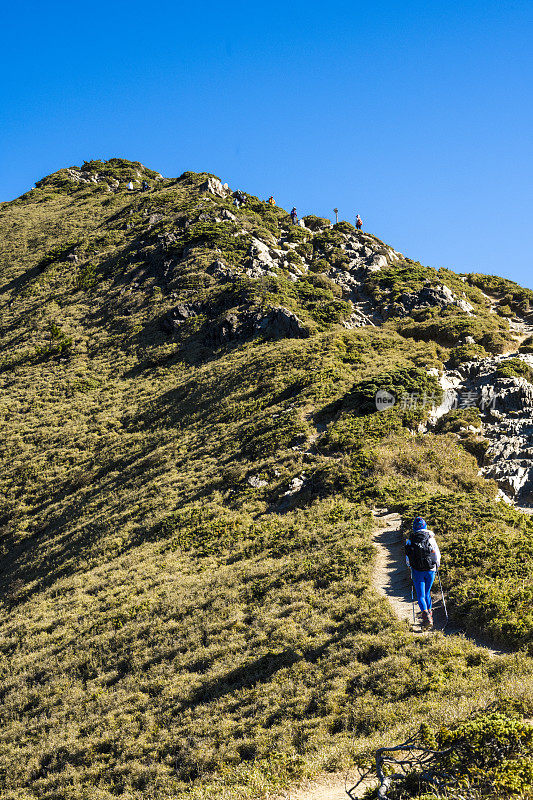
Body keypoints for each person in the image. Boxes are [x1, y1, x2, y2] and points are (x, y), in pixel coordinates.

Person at [405, 517, 441, 629]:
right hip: (430, 570)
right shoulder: (430, 538)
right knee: (427, 593)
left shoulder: (410, 540)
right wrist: (436, 565)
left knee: (420, 595)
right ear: (425, 526)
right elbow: (436, 555)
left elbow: (408, 558)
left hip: (417, 571)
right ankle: (429, 616)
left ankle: (426, 617)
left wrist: (410, 566)